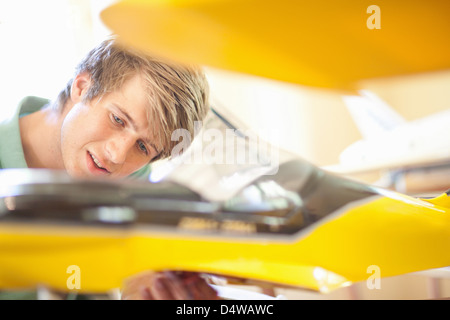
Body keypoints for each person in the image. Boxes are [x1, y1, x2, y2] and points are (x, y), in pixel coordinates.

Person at [0, 37, 217, 300]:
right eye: (118, 119)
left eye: (143, 148)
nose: (117, 155)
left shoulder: (132, 190)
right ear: (82, 87)